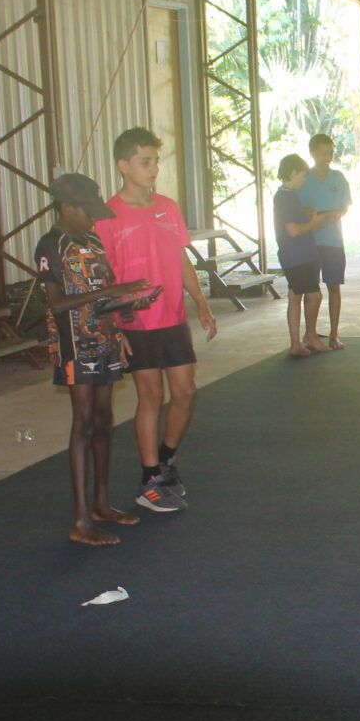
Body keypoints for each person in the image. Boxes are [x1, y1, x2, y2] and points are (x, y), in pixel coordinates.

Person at [94, 127, 217, 515]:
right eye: (146, 162)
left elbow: (181, 258)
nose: (154, 169)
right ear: (124, 165)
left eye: (156, 161)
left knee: (185, 392)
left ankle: (166, 461)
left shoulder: (168, 207)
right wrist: (113, 326)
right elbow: (104, 278)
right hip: (136, 321)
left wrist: (199, 301)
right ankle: (148, 481)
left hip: (173, 317)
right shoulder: (108, 217)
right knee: (151, 396)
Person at [34, 174, 154, 546]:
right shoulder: (50, 245)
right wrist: (114, 290)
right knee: (83, 423)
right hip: (75, 346)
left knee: (105, 421)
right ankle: (80, 519)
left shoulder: (92, 241)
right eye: (88, 213)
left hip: (103, 341)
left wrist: (126, 308)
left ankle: (102, 504)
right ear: (68, 207)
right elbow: (56, 304)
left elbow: (101, 298)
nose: (94, 220)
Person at [297, 133, 351, 351]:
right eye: (322, 153)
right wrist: (308, 213)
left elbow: (345, 205)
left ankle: (334, 334)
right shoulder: (303, 178)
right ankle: (310, 333)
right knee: (310, 289)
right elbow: (296, 208)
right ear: (312, 153)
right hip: (309, 240)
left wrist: (338, 213)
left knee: (334, 287)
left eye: (330, 153)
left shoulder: (338, 178)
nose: (326, 157)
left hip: (333, 241)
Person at [274, 154, 331, 358]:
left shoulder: (288, 195)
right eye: (303, 174)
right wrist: (314, 223)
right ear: (293, 173)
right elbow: (293, 230)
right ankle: (310, 336)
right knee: (314, 295)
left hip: (298, 253)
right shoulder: (285, 197)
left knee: (295, 296)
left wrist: (308, 216)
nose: (304, 179)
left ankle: (296, 343)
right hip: (297, 255)